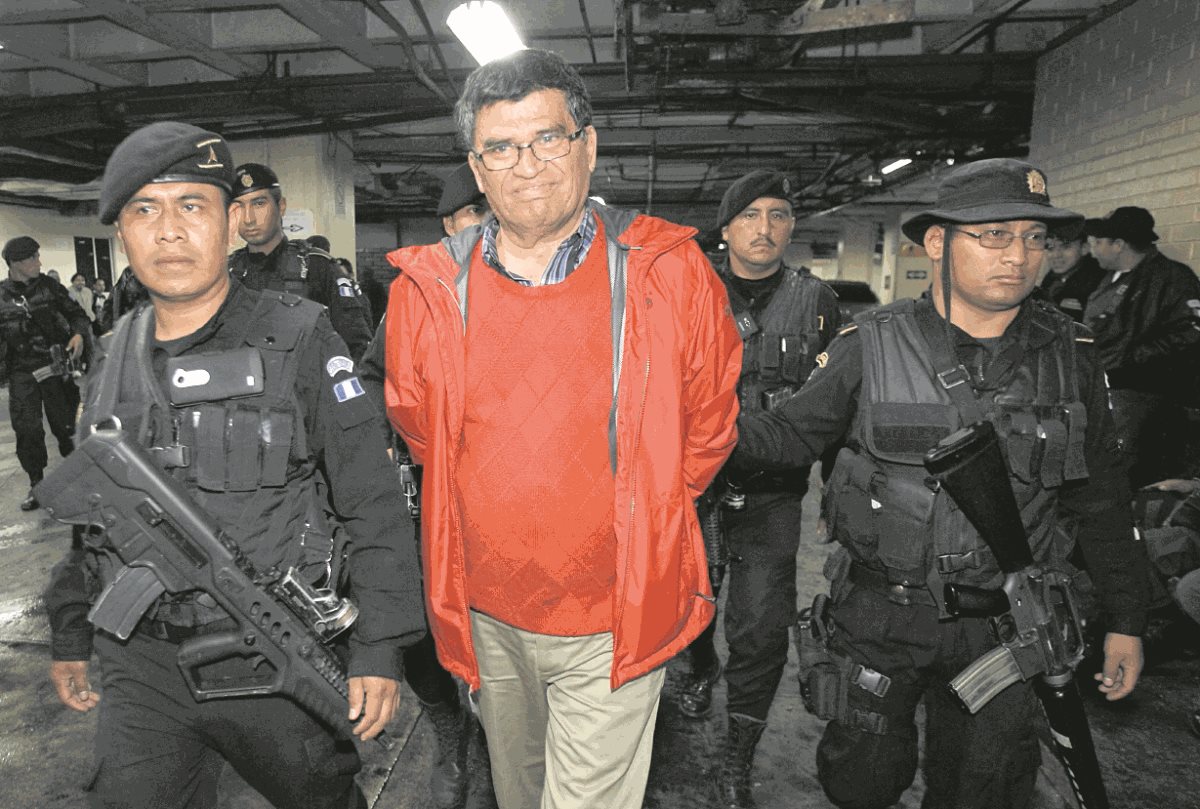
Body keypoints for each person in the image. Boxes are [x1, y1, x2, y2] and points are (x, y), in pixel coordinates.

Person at [377, 49, 741, 809]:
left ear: (588, 145)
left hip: (616, 615)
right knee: (519, 789)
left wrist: (644, 512)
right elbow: (420, 428)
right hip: (486, 613)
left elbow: (708, 425)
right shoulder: (427, 290)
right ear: (477, 169)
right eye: (501, 148)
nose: (528, 166)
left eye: (548, 138)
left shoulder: (669, 271)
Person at [731, 158, 1150, 809]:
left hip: (1007, 625)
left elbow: (1102, 499)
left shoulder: (1072, 354)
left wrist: (1127, 619)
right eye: (994, 235)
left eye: (1034, 238)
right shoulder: (871, 343)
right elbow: (786, 434)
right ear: (936, 241)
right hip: (880, 615)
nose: (1018, 255)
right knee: (859, 781)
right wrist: (683, 428)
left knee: (984, 789)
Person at [42, 121, 424, 809]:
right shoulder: (109, 353)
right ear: (122, 234)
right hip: (142, 664)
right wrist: (71, 628)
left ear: (228, 223)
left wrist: (379, 647)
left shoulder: (301, 337)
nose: (169, 231)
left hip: (270, 651)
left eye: (192, 205)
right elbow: (96, 513)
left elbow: (373, 502)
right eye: (144, 210)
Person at [675, 169, 839, 808]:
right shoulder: (689, 290)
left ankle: (738, 753)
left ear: (792, 227)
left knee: (762, 627)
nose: (764, 228)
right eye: (749, 216)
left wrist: (835, 489)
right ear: (726, 229)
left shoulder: (818, 302)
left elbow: (843, 403)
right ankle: (699, 666)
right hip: (693, 487)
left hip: (774, 492)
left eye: (778, 215)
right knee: (689, 605)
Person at [361, 160, 500, 809]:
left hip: (517, 501)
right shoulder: (416, 293)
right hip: (434, 492)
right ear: (449, 225)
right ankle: (450, 728)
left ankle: (503, 740)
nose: (488, 226)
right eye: (473, 215)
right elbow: (372, 376)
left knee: (503, 629)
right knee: (418, 622)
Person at [1083, 206, 1200, 487]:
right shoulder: (1114, 275)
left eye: (1098, 242)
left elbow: (1191, 332)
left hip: (1142, 393)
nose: (1093, 250)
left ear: (1118, 244)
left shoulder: (1173, 278)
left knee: (1117, 469)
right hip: (1110, 385)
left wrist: (1130, 360)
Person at [228, 163, 373, 358]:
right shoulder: (226, 274)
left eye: (259, 204)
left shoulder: (317, 268)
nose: (248, 218)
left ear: (281, 206)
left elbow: (357, 348)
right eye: (238, 207)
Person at [0, 237, 90, 510]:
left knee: (67, 426)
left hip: (54, 367)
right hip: (21, 373)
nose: (39, 262)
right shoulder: (1, 296)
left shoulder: (50, 287)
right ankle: (37, 485)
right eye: (33, 258)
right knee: (27, 429)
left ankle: (81, 480)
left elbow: (77, 315)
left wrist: (78, 334)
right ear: (16, 263)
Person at [1037, 221, 1102, 322]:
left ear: (1084, 248)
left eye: (1065, 247)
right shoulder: (1052, 278)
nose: (1056, 255)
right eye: (1050, 248)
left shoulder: (1098, 280)